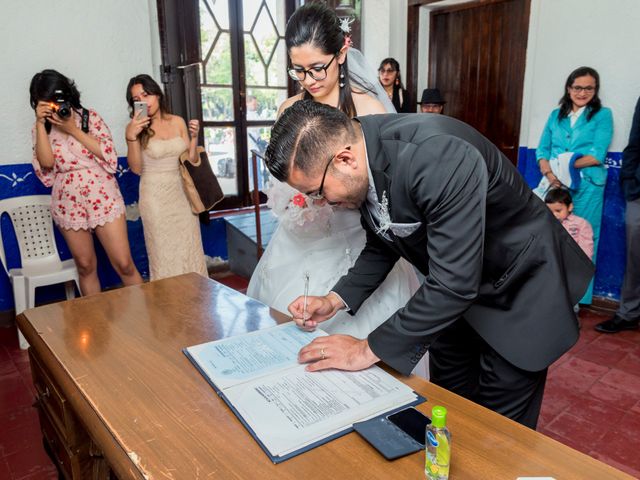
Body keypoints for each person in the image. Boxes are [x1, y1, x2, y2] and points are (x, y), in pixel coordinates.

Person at [264, 100, 593, 428]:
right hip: (455, 301)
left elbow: (453, 284)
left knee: (498, 433)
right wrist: (333, 300)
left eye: (318, 191)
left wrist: (363, 350)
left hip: (519, 288)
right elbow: (384, 240)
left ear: (345, 159)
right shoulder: (364, 154)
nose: (323, 203)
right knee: (447, 410)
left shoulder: (438, 155)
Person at [246, 3, 420, 344]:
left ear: (341, 52)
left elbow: (384, 189)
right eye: (298, 71)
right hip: (298, 242)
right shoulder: (288, 109)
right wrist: (294, 200)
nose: (308, 81)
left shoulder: (368, 108)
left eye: (316, 68)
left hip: (355, 244)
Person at [30, 69, 143, 295]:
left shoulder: (89, 118)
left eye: (57, 98)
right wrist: (41, 124)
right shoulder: (41, 128)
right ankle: (96, 327)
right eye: (46, 101)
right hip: (67, 200)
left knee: (124, 264)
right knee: (85, 266)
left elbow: (108, 154)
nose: (54, 105)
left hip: (102, 195)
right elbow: (47, 163)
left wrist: (72, 129)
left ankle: (146, 322)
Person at [536, 66, 613, 304]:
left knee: (584, 238)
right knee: (549, 236)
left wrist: (566, 166)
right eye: (577, 87)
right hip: (555, 184)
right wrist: (551, 175)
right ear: (569, 89)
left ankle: (577, 299)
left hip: (588, 185)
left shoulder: (602, 115)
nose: (582, 92)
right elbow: (542, 151)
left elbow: (597, 155)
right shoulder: (555, 115)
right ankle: (548, 293)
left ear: (595, 90)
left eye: (589, 88)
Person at [125, 74, 208, 281]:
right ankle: (167, 306)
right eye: (137, 99)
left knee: (190, 249)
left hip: (181, 195)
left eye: (146, 94)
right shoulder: (136, 129)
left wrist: (194, 137)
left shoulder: (177, 121)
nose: (143, 101)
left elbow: (189, 160)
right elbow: (135, 168)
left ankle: (197, 301)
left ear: (158, 95)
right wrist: (131, 137)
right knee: (163, 256)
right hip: (155, 199)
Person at [596, 96, 640, 333]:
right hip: (638, 194)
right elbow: (634, 143)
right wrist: (629, 182)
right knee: (635, 257)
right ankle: (628, 313)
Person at [544, 188, 593, 259]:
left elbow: (586, 248)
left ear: (570, 207)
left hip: (574, 263)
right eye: (550, 211)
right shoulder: (546, 223)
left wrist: (583, 266)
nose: (554, 214)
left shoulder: (581, 224)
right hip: (553, 263)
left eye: (558, 211)